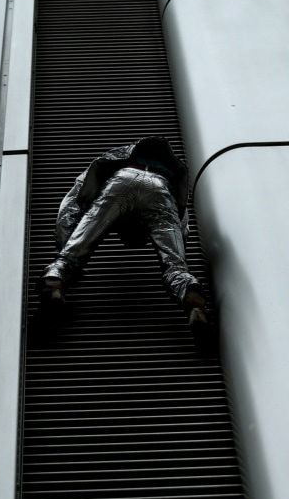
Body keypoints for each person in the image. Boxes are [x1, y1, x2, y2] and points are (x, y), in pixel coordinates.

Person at [37, 135, 210, 343]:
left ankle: (55, 282)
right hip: (163, 189)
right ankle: (194, 303)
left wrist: (65, 246)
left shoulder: (114, 159)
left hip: (122, 178)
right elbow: (182, 226)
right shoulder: (171, 176)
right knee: (175, 267)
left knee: (71, 255)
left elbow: (72, 204)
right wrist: (179, 259)